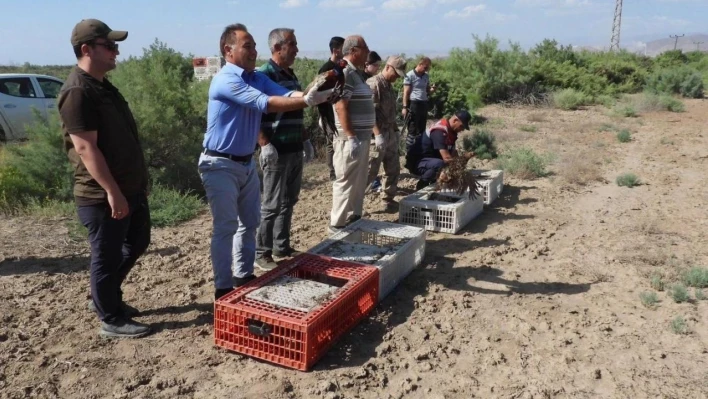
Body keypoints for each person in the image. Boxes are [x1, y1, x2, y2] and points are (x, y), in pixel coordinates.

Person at [199, 24, 334, 300]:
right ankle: (223, 288)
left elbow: (284, 94)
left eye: (254, 46)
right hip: (220, 164)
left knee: (249, 222)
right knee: (226, 226)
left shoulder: (254, 77)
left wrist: (310, 95)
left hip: (245, 163)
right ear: (228, 50)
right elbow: (267, 103)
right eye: (247, 46)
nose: (254, 51)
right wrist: (307, 101)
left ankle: (244, 275)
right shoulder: (227, 79)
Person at [58, 19, 151, 338]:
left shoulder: (100, 84)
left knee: (136, 243)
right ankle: (110, 316)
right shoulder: (77, 91)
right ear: (87, 49)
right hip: (101, 196)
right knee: (107, 255)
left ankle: (104, 295)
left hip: (129, 188)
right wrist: (113, 192)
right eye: (109, 46)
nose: (116, 51)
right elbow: (85, 147)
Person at [255, 28, 313, 270]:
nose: (297, 49)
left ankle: (282, 245)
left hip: (293, 147)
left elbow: (296, 109)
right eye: (293, 44)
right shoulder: (264, 74)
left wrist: (304, 139)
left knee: (289, 200)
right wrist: (264, 144)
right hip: (276, 150)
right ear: (278, 47)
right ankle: (262, 253)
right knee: (271, 204)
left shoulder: (290, 74)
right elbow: (254, 112)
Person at [329, 35, 375, 233]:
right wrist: (351, 136)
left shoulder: (356, 73)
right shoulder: (346, 72)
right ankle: (337, 225)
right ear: (354, 50)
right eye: (365, 48)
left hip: (361, 138)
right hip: (350, 140)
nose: (368, 52)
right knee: (346, 181)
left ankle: (354, 217)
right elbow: (340, 106)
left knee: (358, 181)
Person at [366, 56, 406, 207]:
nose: (396, 77)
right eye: (395, 73)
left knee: (393, 168)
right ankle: (354, 207)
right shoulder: (374, 84)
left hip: (389, 132)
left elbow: (389, 111)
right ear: (388, 67)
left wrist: (395, 130)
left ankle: (387, 200)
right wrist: (377, 135)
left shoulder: (388, 85)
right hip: (376, 135)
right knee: (369, 172)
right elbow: (368, 112)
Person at [408, 110, 473, 190]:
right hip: (418, 162)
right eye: (462, 126)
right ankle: (422, 185)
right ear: (455, 120)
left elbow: (453, 154)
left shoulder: (451, 133)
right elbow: (447, 158)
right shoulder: (439, 131)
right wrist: (462, 161)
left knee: (444, 166)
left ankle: (433, 181)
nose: (462, 130)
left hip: (431, 161)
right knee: (441, 164)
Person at [318, 36, 345, 181]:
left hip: (339, 111)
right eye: (343, 48)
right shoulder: (326, 69)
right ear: (336, 50)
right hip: (328, 112)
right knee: (331, 141)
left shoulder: (341, 68)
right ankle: (332, 172)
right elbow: (318, 94)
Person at [402, 56, 435, 151]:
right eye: (425, 67)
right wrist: (404, 107)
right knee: (412, 128)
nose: (426, 70)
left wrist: (432, 90)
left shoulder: (426, 76)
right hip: (414, 104)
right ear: (420, 64)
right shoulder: (410, 75)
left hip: (424, 103)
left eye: (428, 68)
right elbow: (406, 93)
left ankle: (419, 149)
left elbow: (427, 90)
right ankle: (409, 150)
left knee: (422, 128)